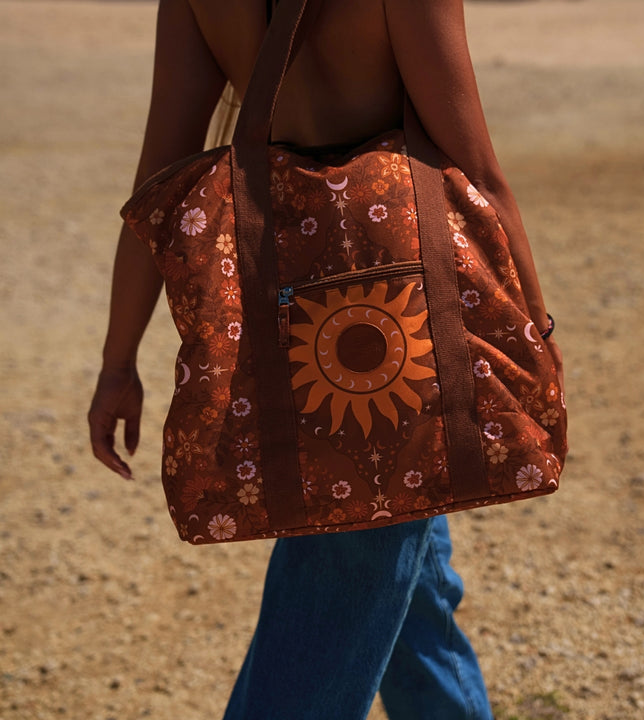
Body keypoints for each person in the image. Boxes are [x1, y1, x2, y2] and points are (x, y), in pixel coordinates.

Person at [89, 1, 564, 718]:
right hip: (404, 331)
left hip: (289, 325)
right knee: (343, 578)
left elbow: (157, 185)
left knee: (406, 562)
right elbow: (479, 172)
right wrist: (538, 331)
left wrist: (117, 364)